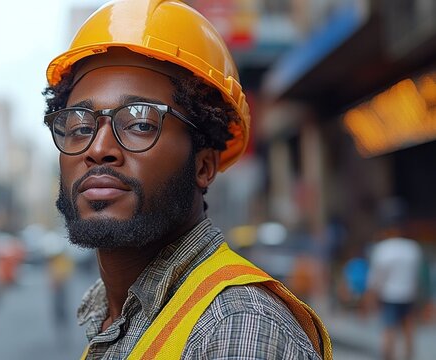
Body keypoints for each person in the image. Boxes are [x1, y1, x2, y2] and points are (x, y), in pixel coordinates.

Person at [41, 0, 331, 358]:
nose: (98, 148)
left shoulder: (236, 330)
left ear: (204, 165)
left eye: (140, 123)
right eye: (80, 126)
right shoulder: (111, 318)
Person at [366, 224, 423, 360]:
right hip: (409, 293)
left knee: (388, 330)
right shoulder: (413, 248)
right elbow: (418, 274)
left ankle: (388, 357)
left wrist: (371, 296)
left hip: (390, 294)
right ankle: (409, 356)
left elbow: (376, 277)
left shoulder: (383, 248)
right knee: (408, 329)